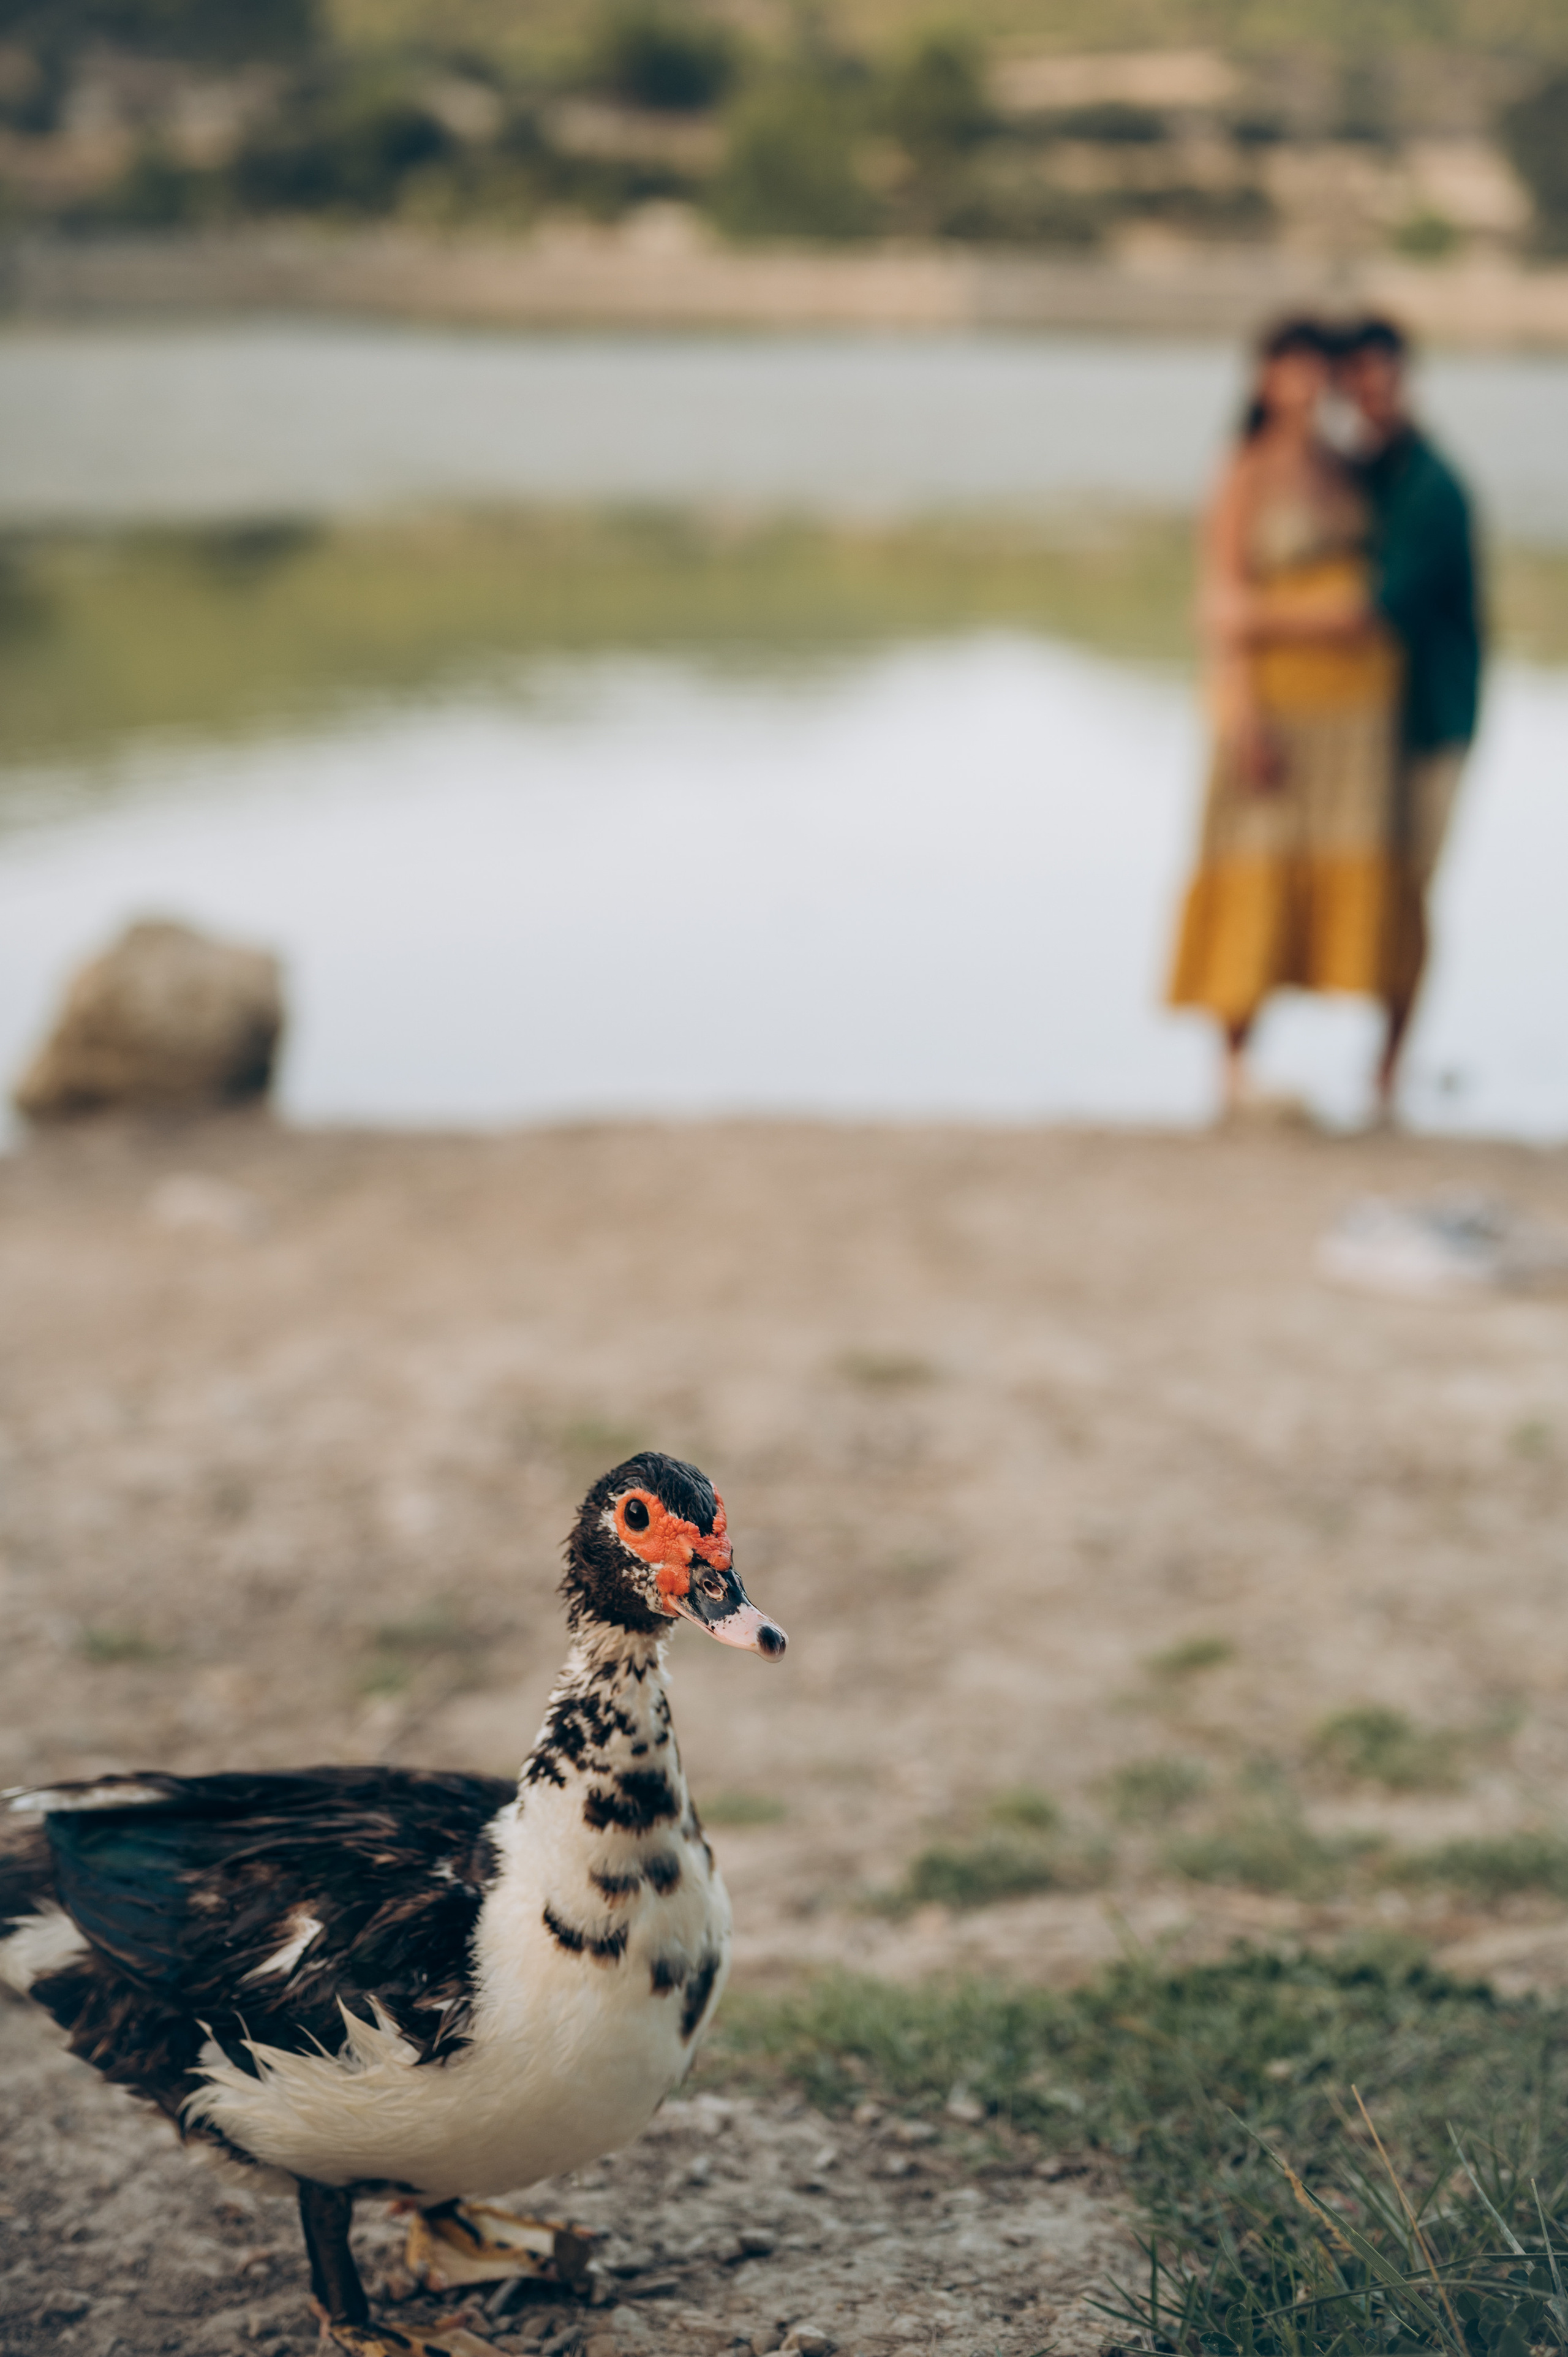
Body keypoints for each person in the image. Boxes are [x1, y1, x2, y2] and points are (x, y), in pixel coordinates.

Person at [1167, 316, 1405, 1118]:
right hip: (1276, 708)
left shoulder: (1347, 470)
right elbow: (1225, 607)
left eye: (1320, 371)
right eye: (1294, 370)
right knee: (1251, 871)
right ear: (1265, 379)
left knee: (1336, 878)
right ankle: (1231, 1069)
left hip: (1352, 721)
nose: (1310, 386)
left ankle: (1372, 1077)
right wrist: (1243, 718)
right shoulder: (1244, 471)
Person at [1336, 314, 1483, 1109]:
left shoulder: (1431, 486)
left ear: (1401, 379)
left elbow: (1377, 610)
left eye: (1378, 377)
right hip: (1373, 729)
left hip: (1432, 722)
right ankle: (1380, 1063)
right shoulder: (1365, 476)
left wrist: (1246, 619)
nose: (1368, 394)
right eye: (1354, 381)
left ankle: (1393, 1061)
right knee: (1379, 880)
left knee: (1414, 887)